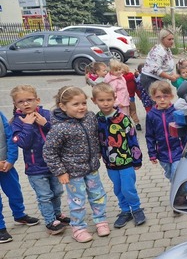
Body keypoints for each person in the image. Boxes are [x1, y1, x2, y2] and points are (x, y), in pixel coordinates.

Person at [43, 86, 109, 243]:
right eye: (76, 104)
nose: (81, 107)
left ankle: (101, 220)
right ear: (63, 106)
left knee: (98, 196)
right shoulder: (59, 128)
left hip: (92, 168)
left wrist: (99, 152)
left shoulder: (90, 117)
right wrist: (60, 172)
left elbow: (96, 137)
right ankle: (78, 228)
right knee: (77, 201)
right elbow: (49, 152)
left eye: (83, 103)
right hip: (72, 173)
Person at [10, 85, 68, 236]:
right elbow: (23, 143)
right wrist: (27, 125)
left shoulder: (46, 114)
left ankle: (57, 214)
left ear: (37, 100)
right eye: (21, 102)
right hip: (35, 168)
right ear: (16, 105)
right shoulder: (17, 122)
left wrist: (46, 124)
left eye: (29, 100)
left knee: (57, 192)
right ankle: (50, 221)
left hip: (54, 164)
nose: (26, 104)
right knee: (44, 196)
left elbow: (61, 133)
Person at [92, 83, 146, 229]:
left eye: (109, 99)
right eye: (101, 100)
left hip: (126, 161)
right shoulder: (96, 120)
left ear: (114, 98)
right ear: (94, 101)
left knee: (128, 188)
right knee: (118, 188)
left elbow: (133, 139)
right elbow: (95, 139)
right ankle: (124, 211)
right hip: (110, 163)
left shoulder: (123, 118)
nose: (105, 103)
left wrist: (137, 159)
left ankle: (136, 209)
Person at [0, 110, 39, 244]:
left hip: (6, 165)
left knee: (15, 191)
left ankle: (19, 214)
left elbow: (9, 136)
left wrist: (11, 159)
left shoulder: (0, 114)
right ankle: (0, 227)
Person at [145, 81, 184, 180]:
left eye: (165, 96)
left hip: (178, 150)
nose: (162, 99)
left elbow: (184, 132)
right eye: (158, 97)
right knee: (169, 173)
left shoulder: (176, 112)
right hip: (162, 153)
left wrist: (186, 148)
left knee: (176, 173)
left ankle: (179, 194)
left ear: (171, 96)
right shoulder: (151, 115)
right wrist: (152, 153)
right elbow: (149, 135)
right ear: (153, 98)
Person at [123, 63, 141, 131]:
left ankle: (127, 125)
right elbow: (136, 88)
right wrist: (140, 96)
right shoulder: (132, 78)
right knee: (133, 111)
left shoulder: (121, 79)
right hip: (131, 97)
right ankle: (137, 123)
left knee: (125, 112)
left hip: (123, 98)